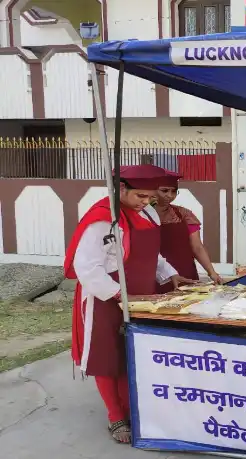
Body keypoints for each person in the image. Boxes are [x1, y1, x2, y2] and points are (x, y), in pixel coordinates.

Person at [63, 164, 195, 444]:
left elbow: (151, 254)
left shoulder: (145, 214)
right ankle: (115, 415)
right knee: (107, 357)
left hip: (139, 295)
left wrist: (169, 274)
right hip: (105, 297)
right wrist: (118, 295)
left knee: (131, 355)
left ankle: (132, 408)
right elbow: (86, 266)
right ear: (121, 189)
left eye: (150, 198)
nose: (147, 203)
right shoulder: (102, 219)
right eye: (141, 197)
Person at [152, 171, 223, 293]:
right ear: (153, 190)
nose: (169, 195)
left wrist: (212, 272)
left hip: (184, 271)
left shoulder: (184, 214)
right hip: (154, 273)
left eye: (173, 191)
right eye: (164, 191)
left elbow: (197, 247)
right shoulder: (142, 215)